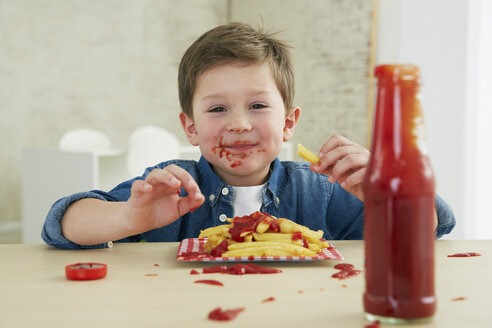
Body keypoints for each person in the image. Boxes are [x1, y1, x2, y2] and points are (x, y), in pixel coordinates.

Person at [42, 23, 455, 249]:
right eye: (218, 109)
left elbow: (427, 229)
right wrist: (129, 218)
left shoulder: (322, 191)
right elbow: (62, 224)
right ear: (190, 127)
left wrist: (390, 189)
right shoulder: (168, 186)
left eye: (257, 106)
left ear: (289, 123)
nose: (239, 124)